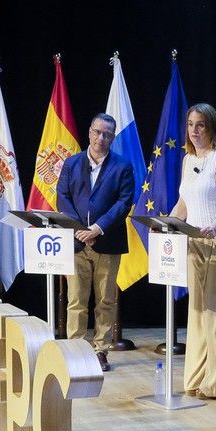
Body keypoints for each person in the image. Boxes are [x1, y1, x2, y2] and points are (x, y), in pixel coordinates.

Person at [170, 103, 216, 398]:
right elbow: (184, 204)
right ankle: (198, 378)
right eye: (190, 124)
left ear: (212, 127)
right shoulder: (188, 159)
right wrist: (167, 222)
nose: (194, 130)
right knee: (199, 312)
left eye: (200, 125)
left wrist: (214, 227)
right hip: (195, 242)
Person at [55, 113, 136, 372]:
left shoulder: (122, 167)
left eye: (107, 134)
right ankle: (76, 349)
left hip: (107, 243)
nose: (101, 138)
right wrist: (80, 230)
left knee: (105, 301)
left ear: (112, 138)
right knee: (76, 299)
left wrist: (97, 228)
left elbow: (124, 202)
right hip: (77, 243)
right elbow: (62, 197)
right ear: (89, 132)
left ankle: (101, 350)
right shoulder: (71, 163)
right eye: (97, 132)